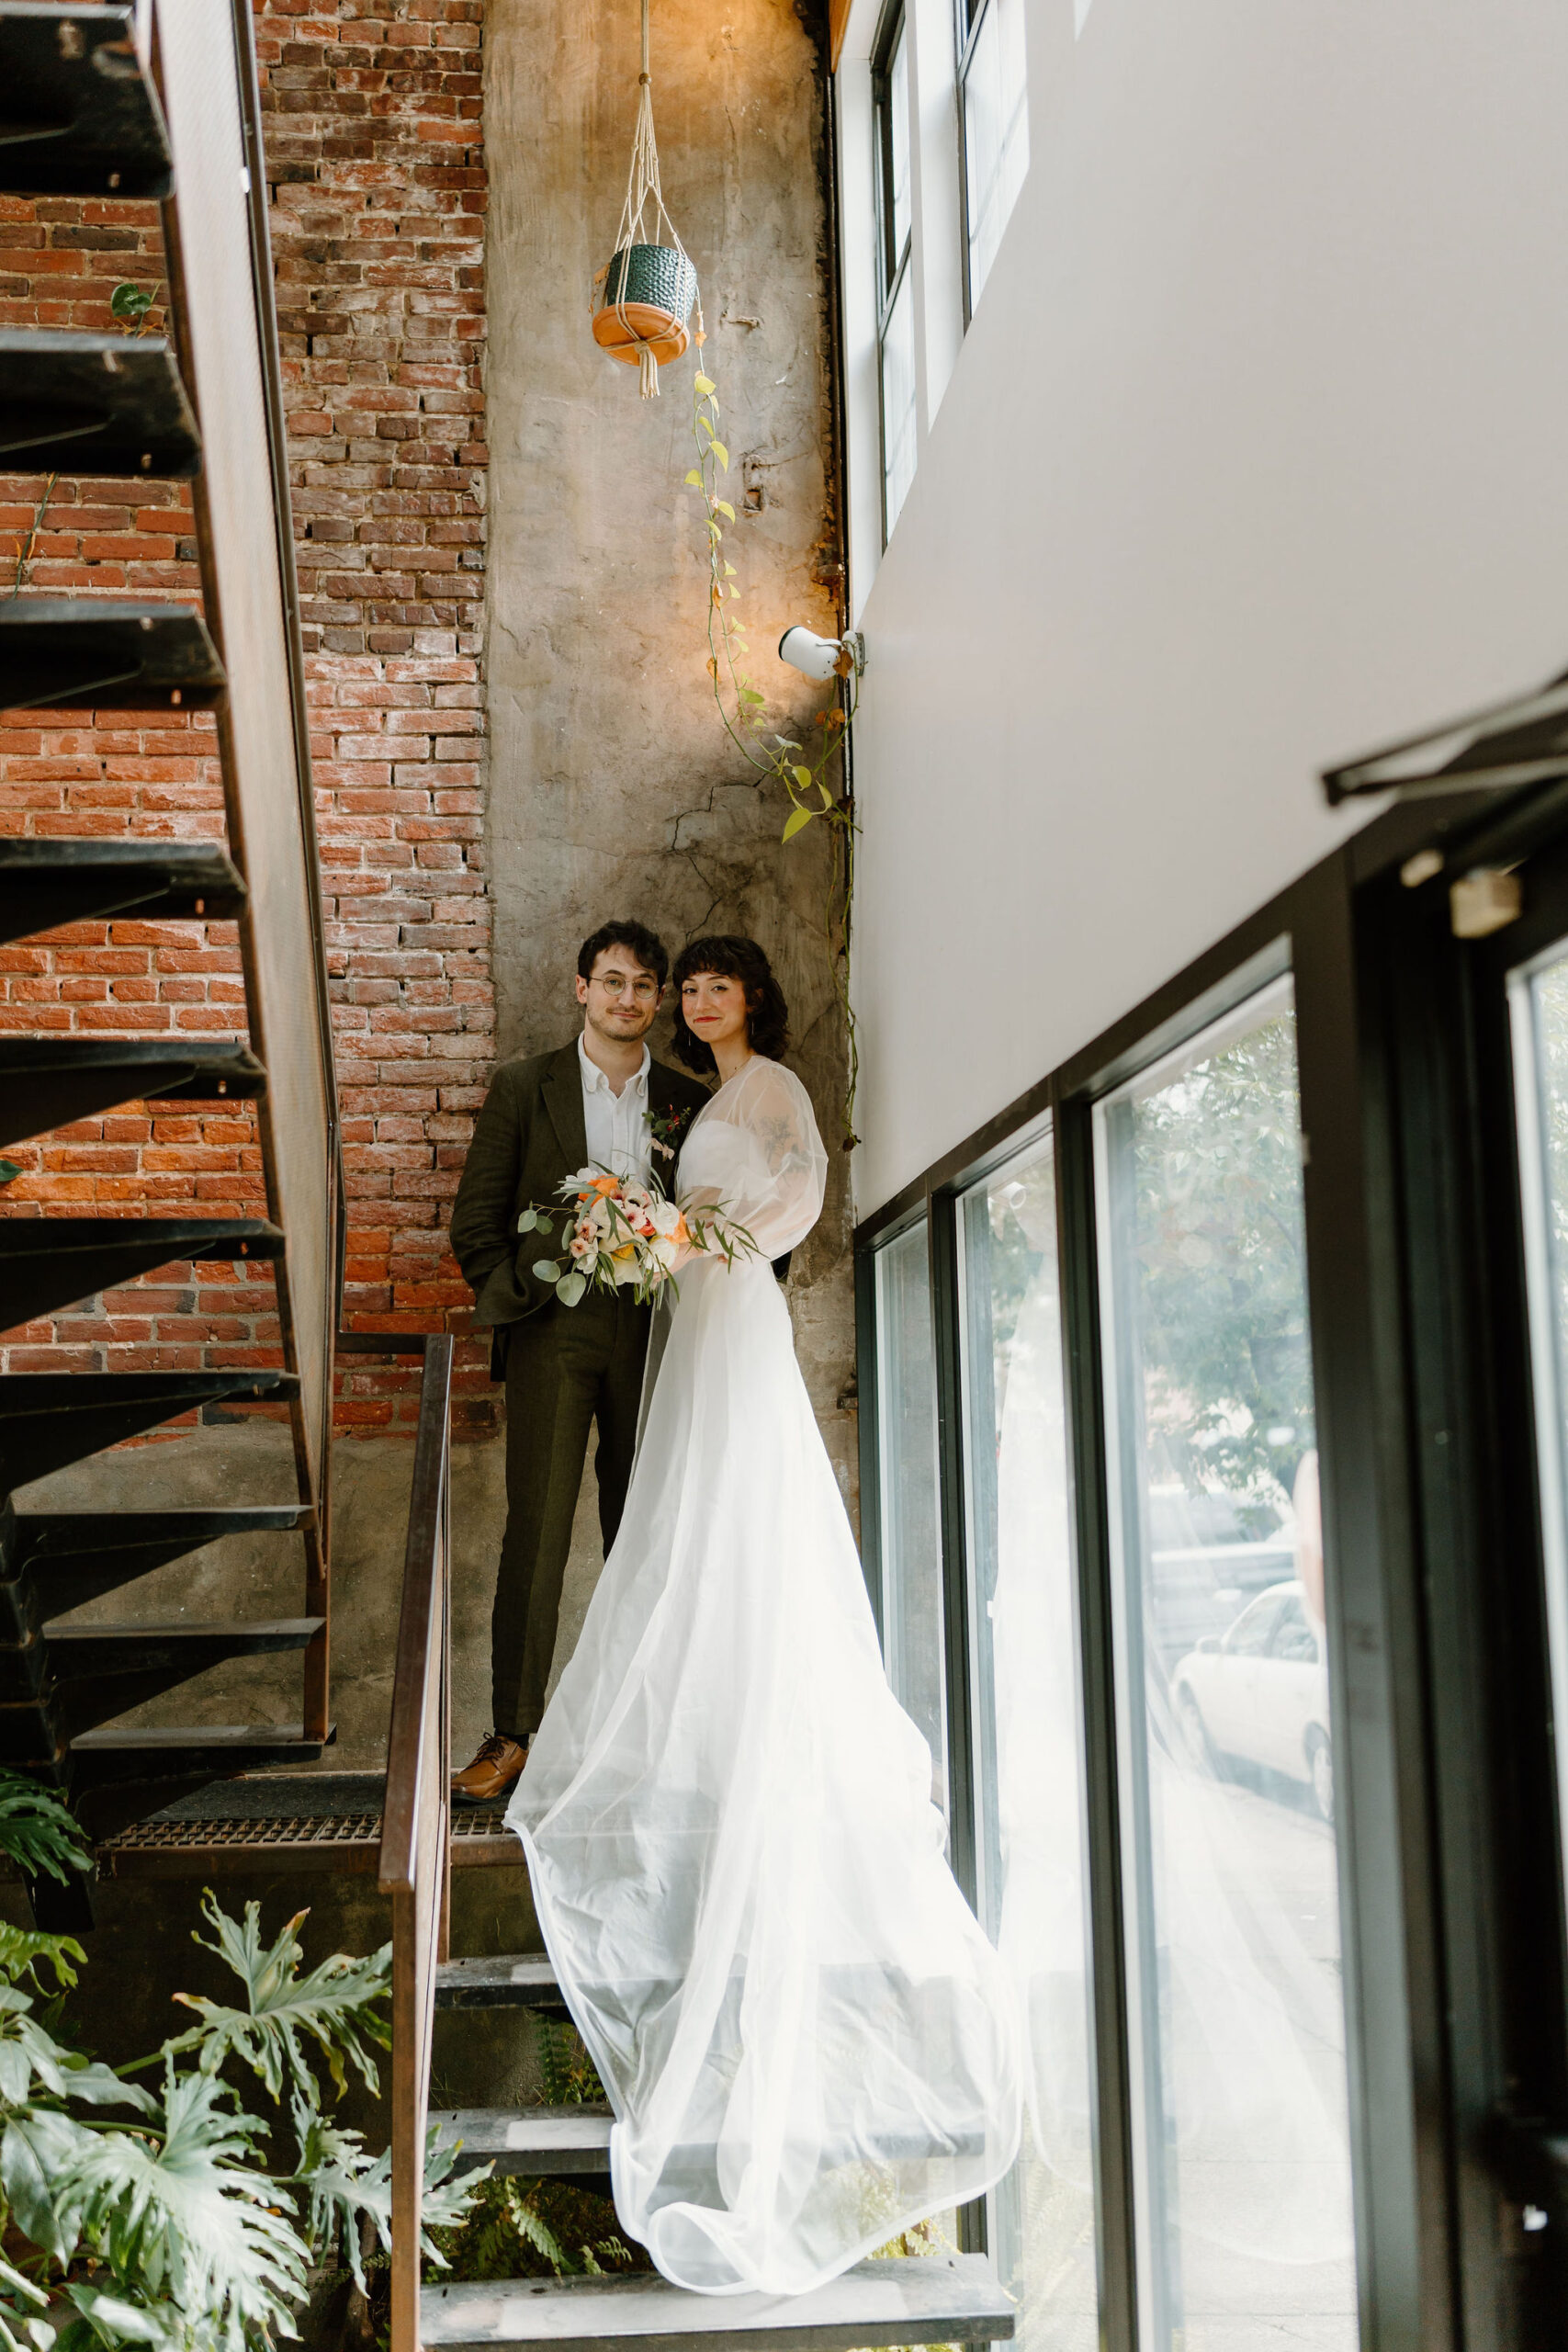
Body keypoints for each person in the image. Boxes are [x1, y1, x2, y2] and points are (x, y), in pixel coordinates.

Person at [507, 935, 1021, 2296]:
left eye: (711, 988)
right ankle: (703, 1708)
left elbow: (799, 1199)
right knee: (679, 1517)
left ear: (753, 1001)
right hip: (689, 1319)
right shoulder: (687, 1101)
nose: (694, 1004)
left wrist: (701, 1235)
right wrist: (663, 1238)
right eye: (685, 990)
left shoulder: (773, 1087)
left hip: (731, 1310)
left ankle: (755, 1714)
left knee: (735, 1508)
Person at [446, 921, 710, 1804]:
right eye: (611, 982)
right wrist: (518, 1296)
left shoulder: (685, 1100)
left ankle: (638, 1733)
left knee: (644, 1530)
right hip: (551, 1333)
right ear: (579, 989)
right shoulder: (525, 1087)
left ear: (659, 998)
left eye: (643, 985)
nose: (626, 998)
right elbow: (475, 1224)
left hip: (652, 1332)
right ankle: (513, 1734)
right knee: (539, 1531)